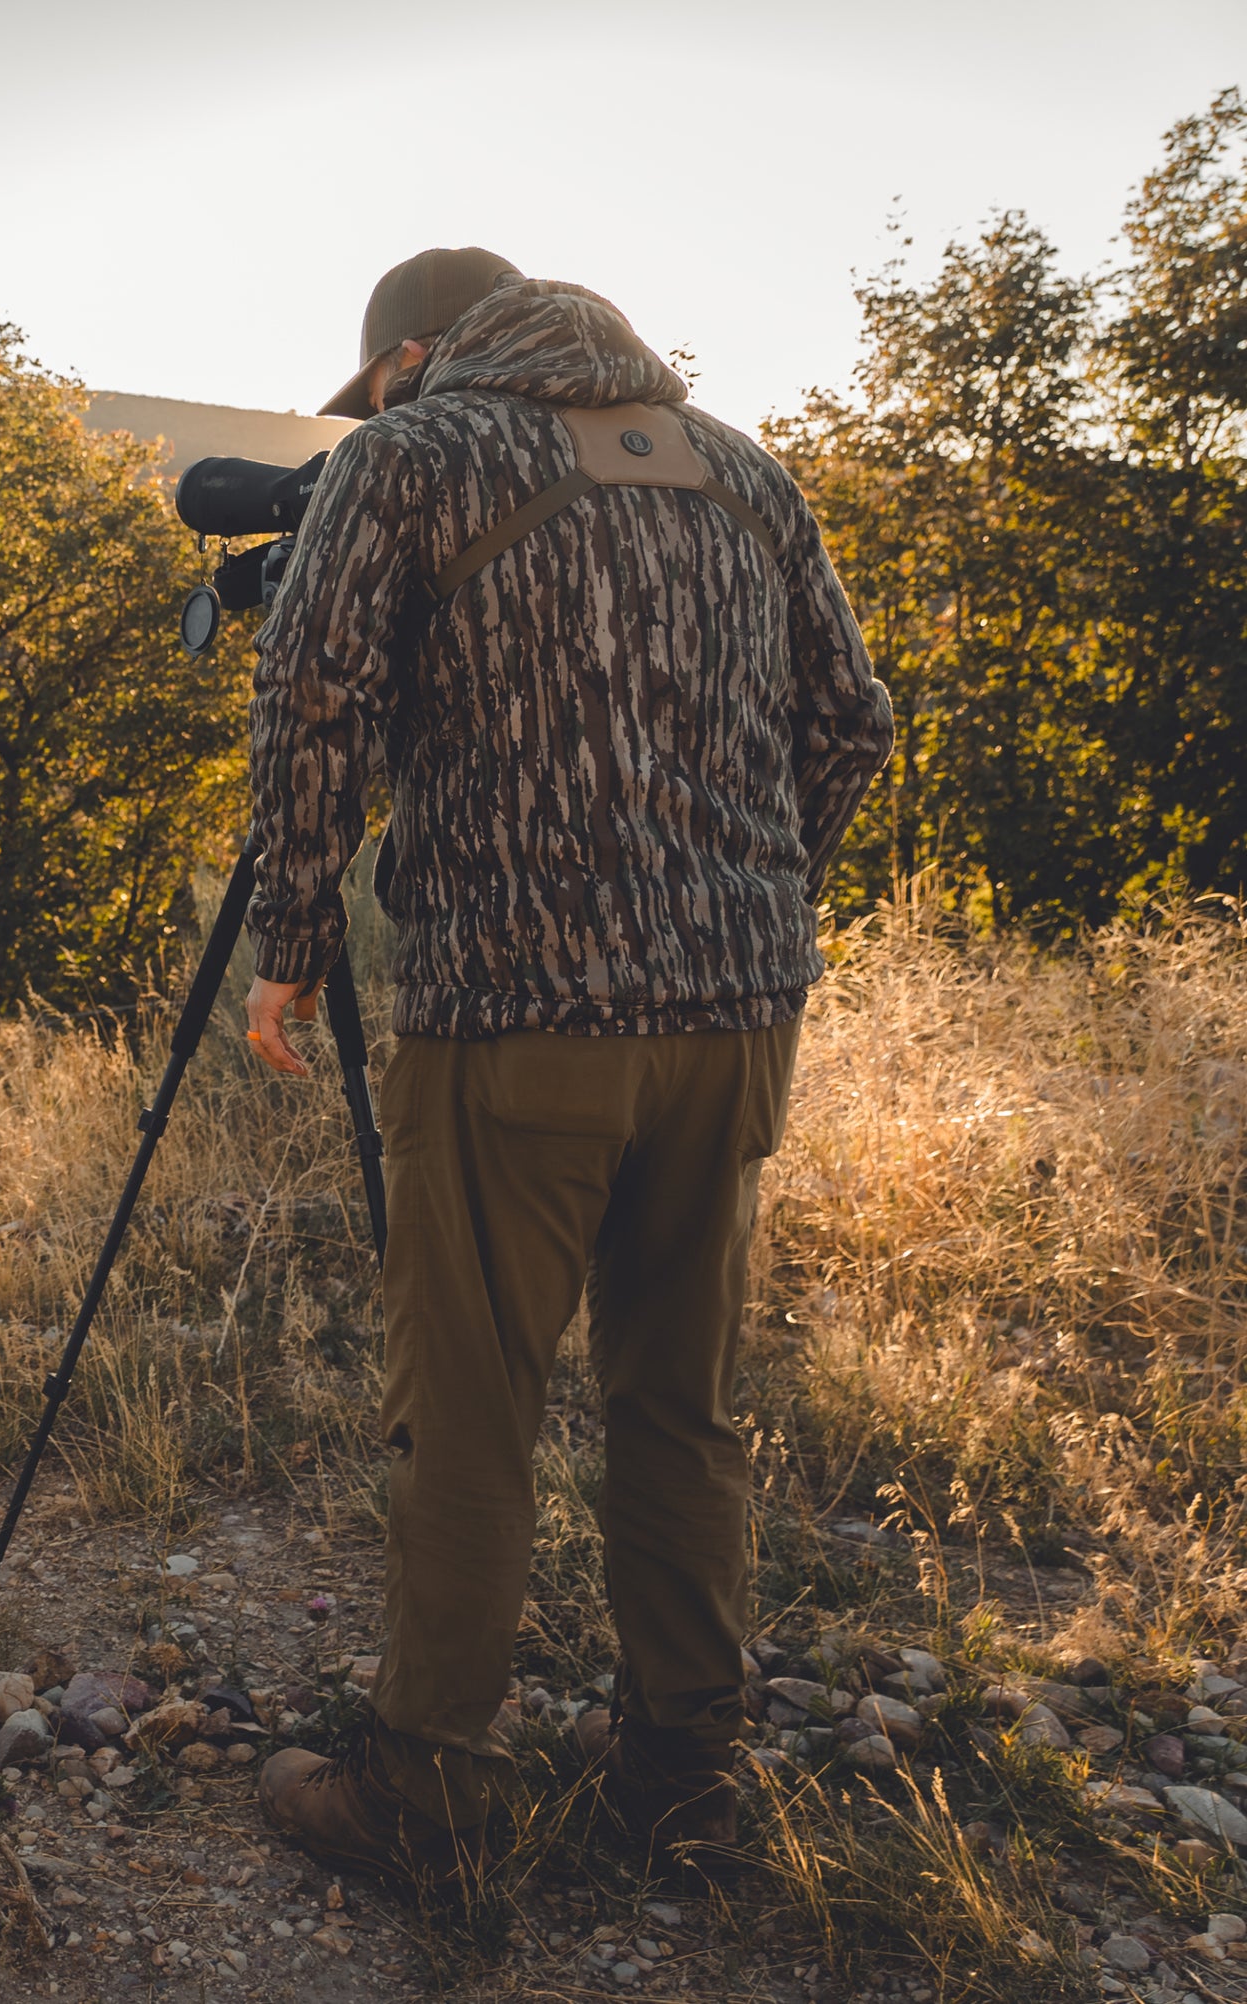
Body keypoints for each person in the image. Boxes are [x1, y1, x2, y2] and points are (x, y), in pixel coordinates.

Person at [239, 247, 895, 1878]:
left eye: (375, 381)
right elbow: (852, 724)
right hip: (736, 1017)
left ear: (413, 359)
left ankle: (428, 1798)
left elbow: (312, 699)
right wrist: (738, 898)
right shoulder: (743, 468)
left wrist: (294, 949)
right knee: (679, 1401)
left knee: (473, 1409)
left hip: (517, 1016)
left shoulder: (408, 460)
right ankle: (684, 1772)